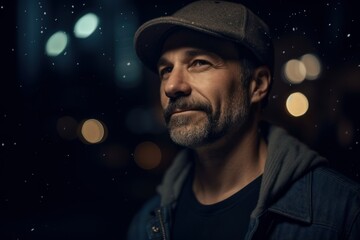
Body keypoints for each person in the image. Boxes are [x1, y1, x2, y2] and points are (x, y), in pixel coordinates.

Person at [128, 1, 360, 239]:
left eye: (199, 62)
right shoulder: (147, 225)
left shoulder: (341, 214)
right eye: (166, 69)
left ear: (257, 84)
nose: (172, 85)